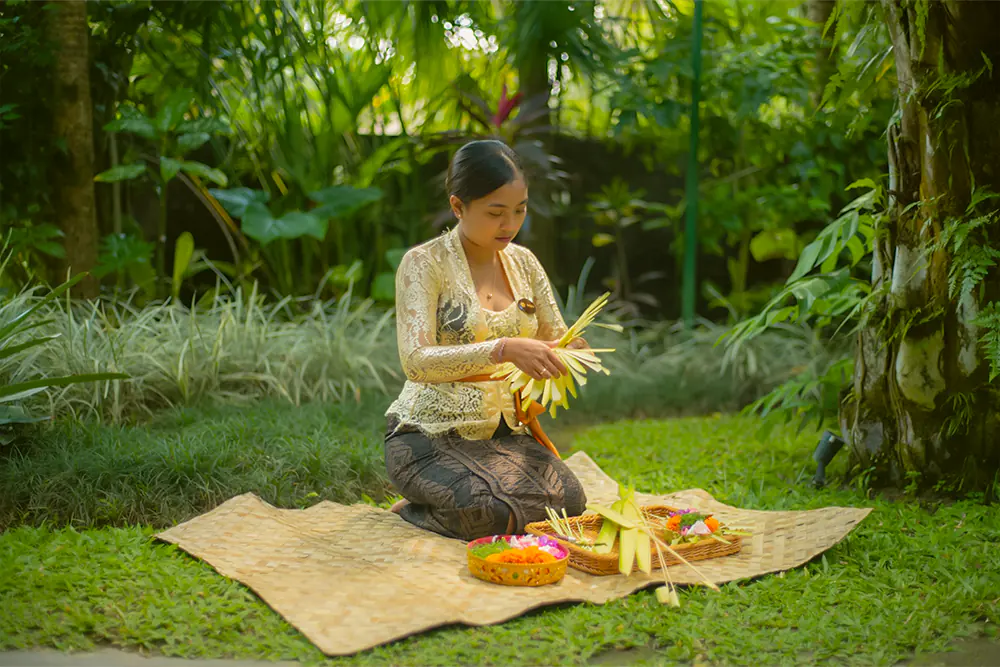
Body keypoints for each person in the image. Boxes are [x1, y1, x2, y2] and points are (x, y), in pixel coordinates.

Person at [384, 139, 588, 541]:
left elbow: (557, 337)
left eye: (520, 209)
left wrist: (572, 352)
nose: (510, 224)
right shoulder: (424, 264)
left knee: (570, 501)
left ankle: (445, 504)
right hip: (428, 433)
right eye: (495, 212)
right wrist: (503, 349)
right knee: (488, 512)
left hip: (504, 435)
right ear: (458, 206)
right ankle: (416, 509)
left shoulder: (524, 262)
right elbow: (416, 361)